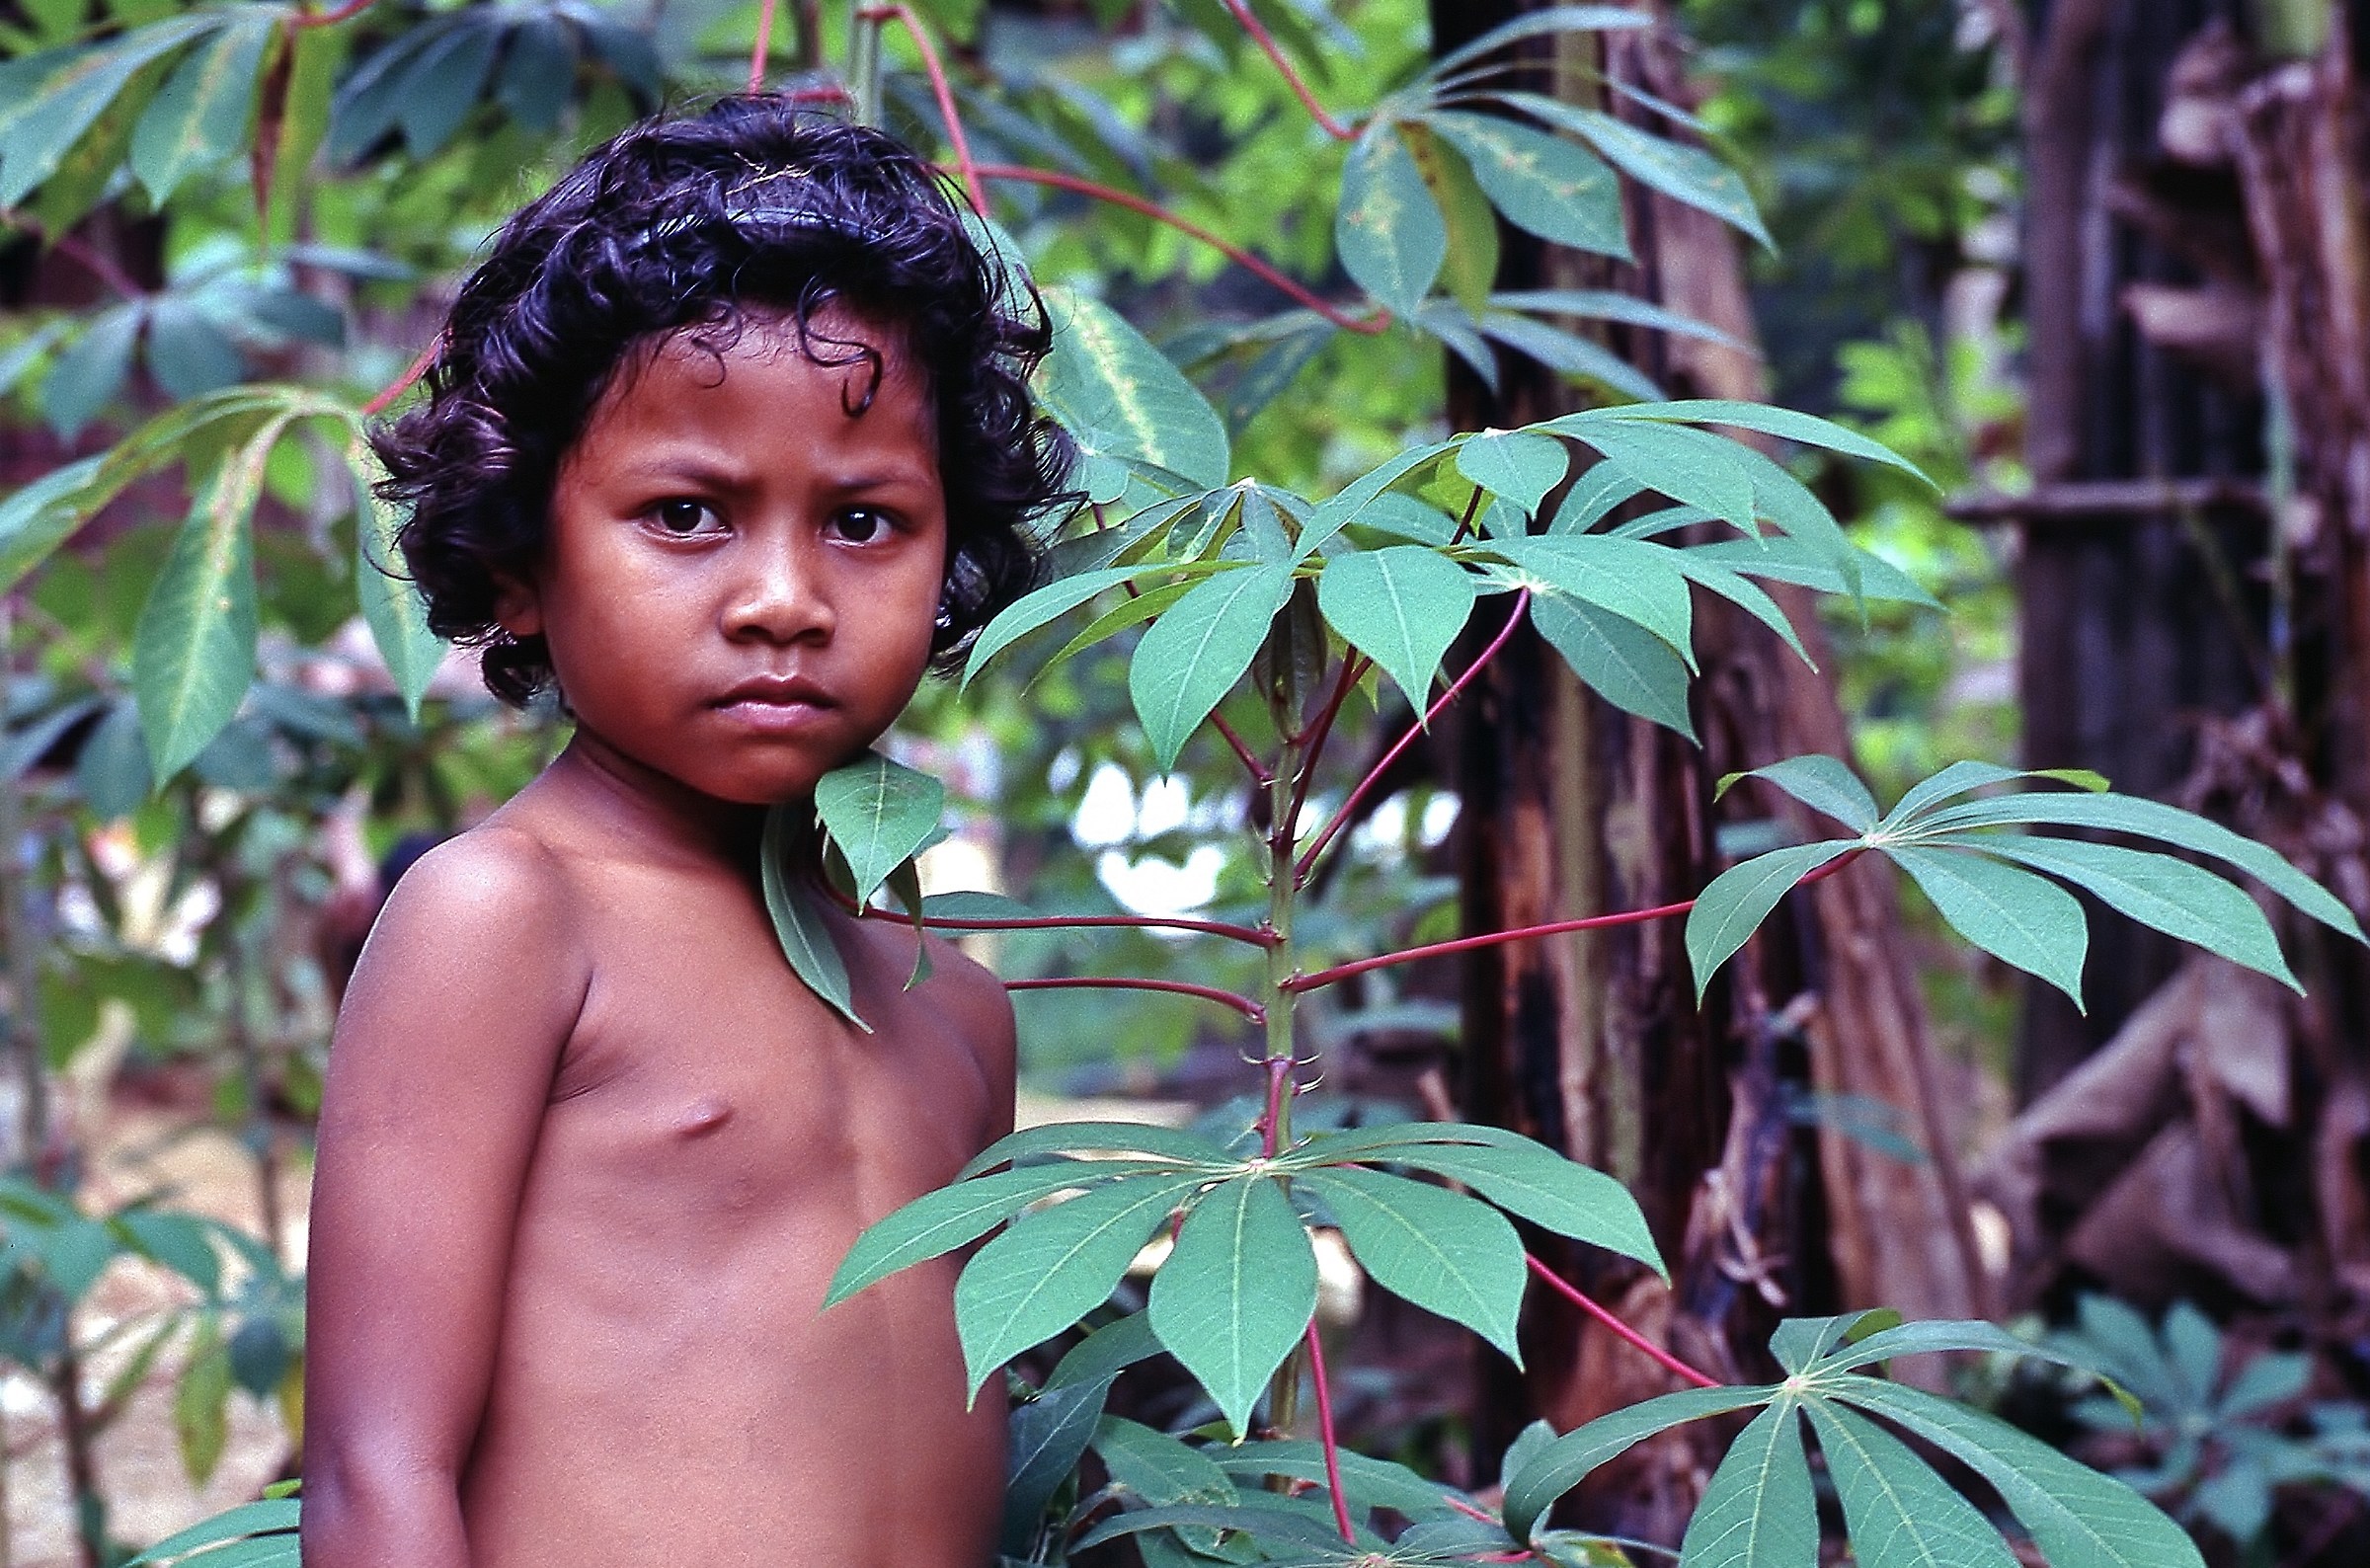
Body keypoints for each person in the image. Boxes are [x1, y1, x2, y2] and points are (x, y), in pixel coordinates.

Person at [300, 97, 1074, 1568]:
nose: (784, 599)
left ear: (952, 557)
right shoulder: (506, 918)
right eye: (686, 513)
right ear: (517, 563)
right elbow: (375, 1471)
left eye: (863, 522)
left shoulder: (955, 1009)